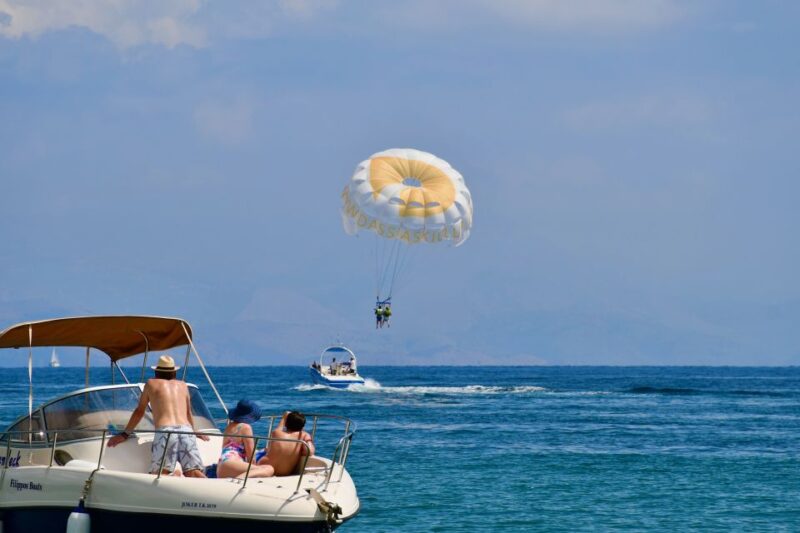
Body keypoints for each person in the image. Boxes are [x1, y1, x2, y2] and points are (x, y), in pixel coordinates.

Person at [108, 354, 209, 477]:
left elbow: (140, 411)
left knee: (160, 474)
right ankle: (214, 491)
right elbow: (188, 413)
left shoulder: (151, 383)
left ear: (156, 372)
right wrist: (194, 431)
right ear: (174, 373)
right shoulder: (183, 385)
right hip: (187, 430)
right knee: (194, 472)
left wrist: (125, 434)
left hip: (166, 431)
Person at [217, 399, 275, 479]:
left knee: (261, 469)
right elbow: (251, 456)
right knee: (269, 469)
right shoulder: (245, 427)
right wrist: (256, 469)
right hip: (232, 463)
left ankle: (241, 478)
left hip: (221, 467)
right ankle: (241, 479)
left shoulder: (229, 427)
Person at [257, 411, 315, 476]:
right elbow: (309, 451)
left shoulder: (276, 433)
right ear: (302, 426)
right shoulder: (304, 435)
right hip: (283, 472)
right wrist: (307, 440)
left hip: (262, 465)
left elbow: (280, 427)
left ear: (286, 424)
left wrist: (284, 417)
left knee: (263, 450)